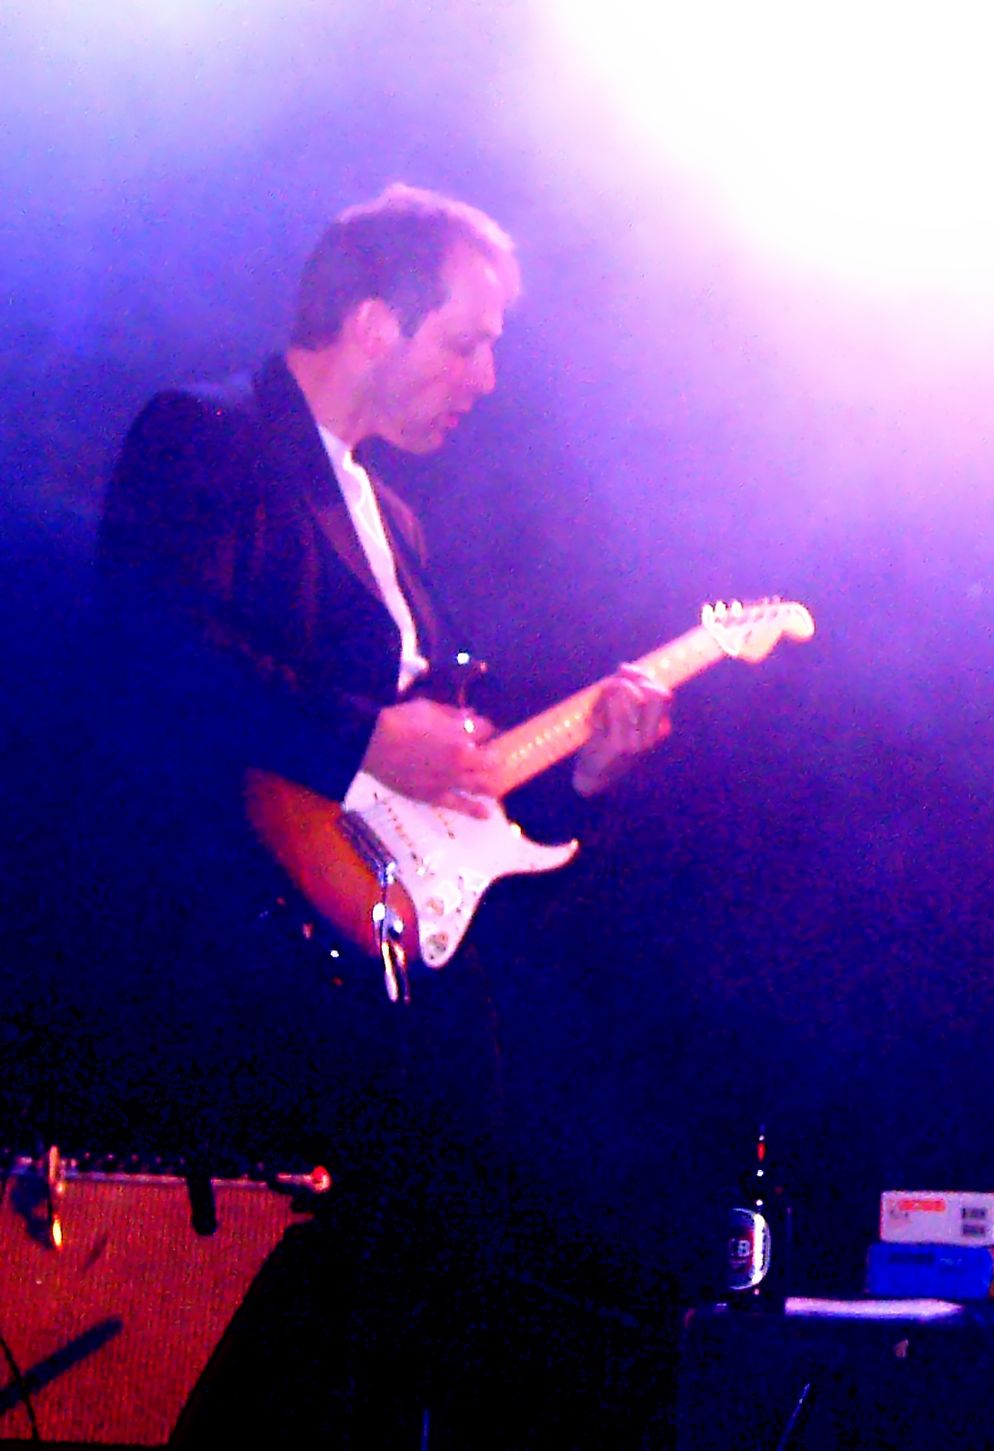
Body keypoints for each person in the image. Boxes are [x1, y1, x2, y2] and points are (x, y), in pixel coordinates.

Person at [93, 183, 670, 1447]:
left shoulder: (394, 518)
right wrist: (359, 735)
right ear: (371, 323)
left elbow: (440, 777)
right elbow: (144, 655)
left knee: (406, 1342)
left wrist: (584, 772)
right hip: (246, 977)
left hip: (390, 988)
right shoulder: (207, 436)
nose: (487, 378)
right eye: (467, 341)